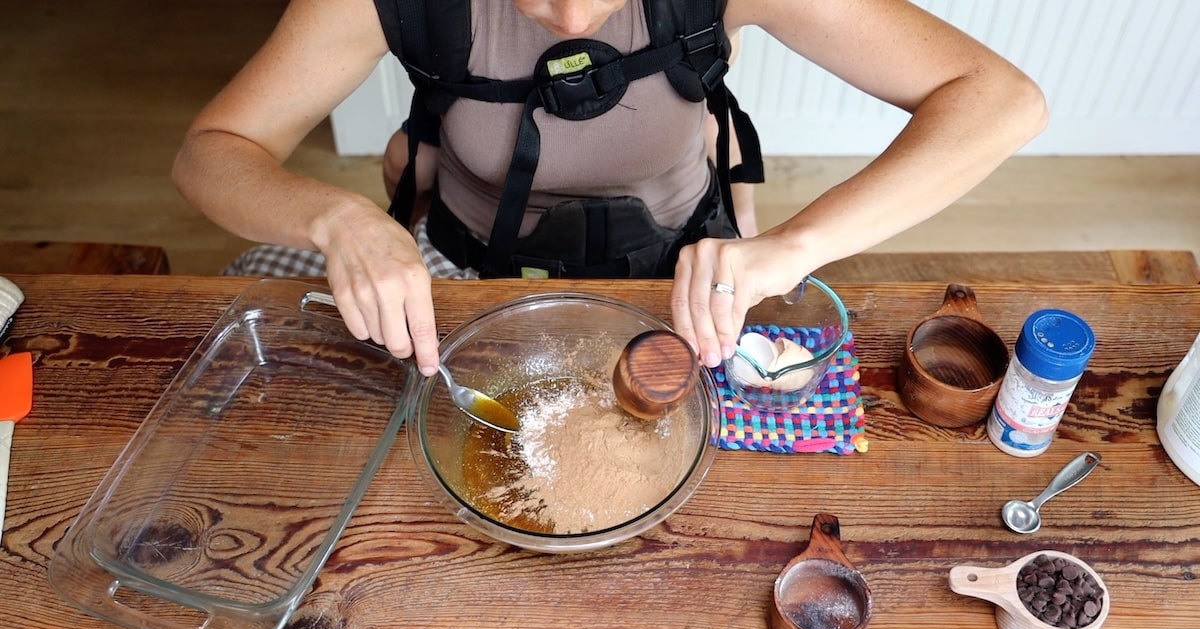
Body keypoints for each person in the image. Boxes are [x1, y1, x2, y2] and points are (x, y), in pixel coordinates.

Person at [173, 0, 1047, 379]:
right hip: (465, 264)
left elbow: (1001, 101)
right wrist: (339, 218)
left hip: (678, 268)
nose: (579, 21)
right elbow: (212, 151)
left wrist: (790, 246)